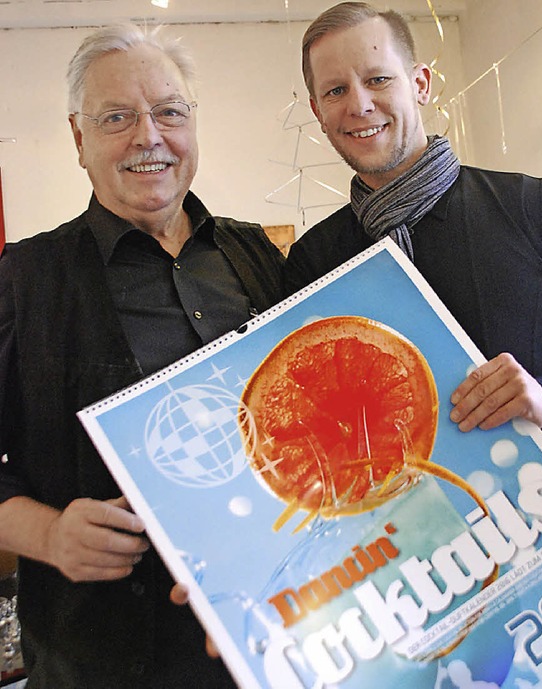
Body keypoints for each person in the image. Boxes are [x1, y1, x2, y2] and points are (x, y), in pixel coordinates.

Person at [0, 23, 283, 689]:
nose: (148, 137)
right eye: (117, 118)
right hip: (103, 659)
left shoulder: (259, 257)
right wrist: (45, 533)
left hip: (271, 633)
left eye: (169, 113)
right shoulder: (23, 280)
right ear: (79, 139)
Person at [284, 1, 542, 482]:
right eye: (335, 90)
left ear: (421, 84)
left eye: (378, 79)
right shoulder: (313, 262)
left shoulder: (532, 208)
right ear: (318, 112)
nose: (359, 105)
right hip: (389, 537)